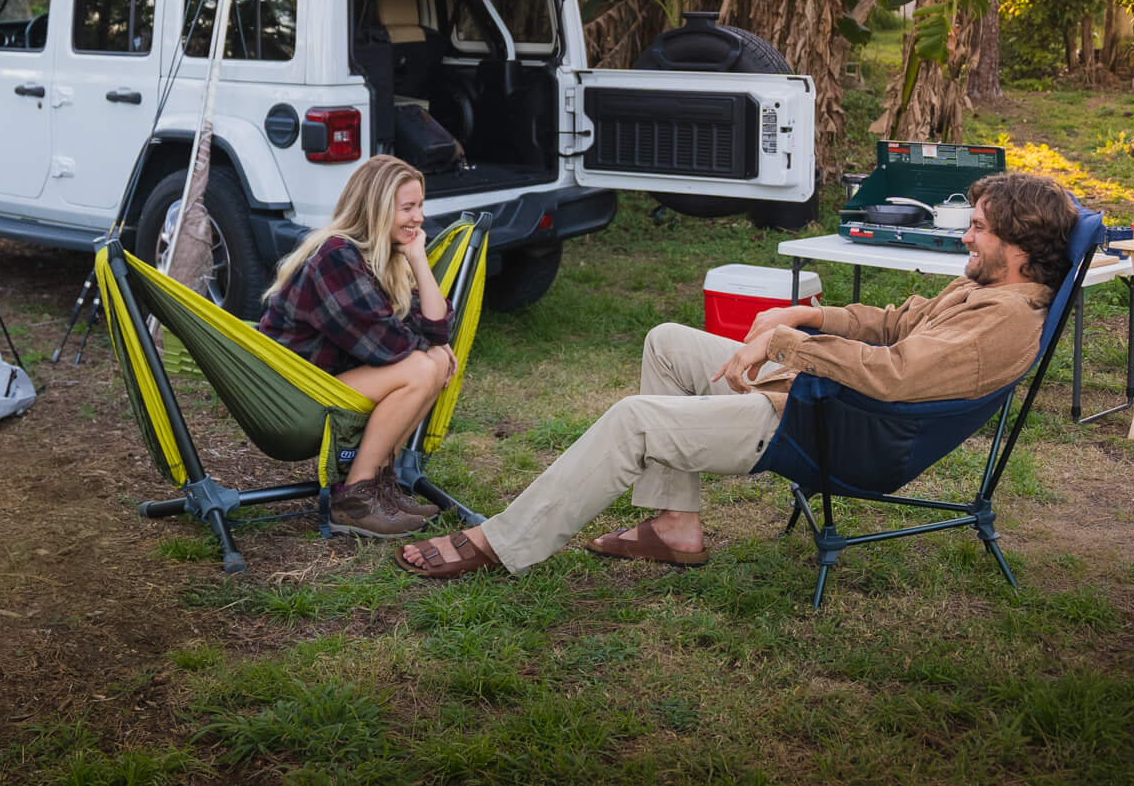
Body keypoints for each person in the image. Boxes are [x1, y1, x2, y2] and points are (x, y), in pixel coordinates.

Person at [395, 172, 1078, 578]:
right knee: (667, 342)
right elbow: (897, 323)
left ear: (1019, 246)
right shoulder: (984, 288)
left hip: (835, 428)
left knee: (634, 421)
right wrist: (808, 315)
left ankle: (500, 542)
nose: (966, 236)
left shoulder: (1001, 321)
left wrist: (788, 344)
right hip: (822, 400)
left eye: (978, 228)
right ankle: (675, 526)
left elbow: (896, 374)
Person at [257, 154, 458, 538]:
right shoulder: (335, 257)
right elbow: (388, 346)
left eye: (420, 206)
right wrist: (432, 350)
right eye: (408, 208)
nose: (419, 217)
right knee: (421, 367)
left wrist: (418, 260)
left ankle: (380, 487)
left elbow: (438, 329)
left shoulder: (384, 257)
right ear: (377, 208)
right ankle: (354, 499)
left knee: (433, 362)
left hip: (327, 385)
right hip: (292, 397)